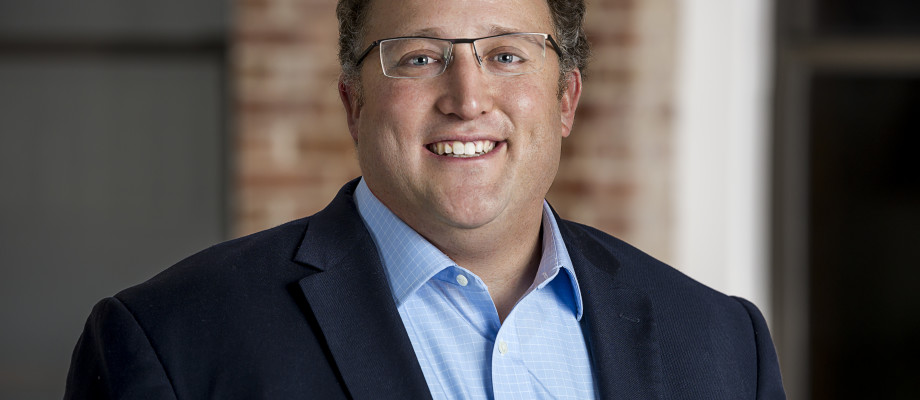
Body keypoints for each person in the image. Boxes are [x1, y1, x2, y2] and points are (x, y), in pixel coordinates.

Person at [65, 0, 786, 398]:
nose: (467, 99)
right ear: (354, 104)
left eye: (506, 55)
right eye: (419, 57)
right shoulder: (173, 342)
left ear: (566, 99)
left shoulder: (723, 346)